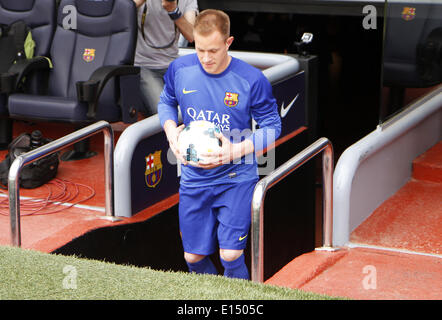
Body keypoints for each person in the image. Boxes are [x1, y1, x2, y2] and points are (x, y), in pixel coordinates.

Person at [158, 9, 281, 279]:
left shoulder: (251, 79)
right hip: (194, 176)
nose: (205, 58)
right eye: (200, 49)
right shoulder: (180, 69)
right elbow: (166, 101)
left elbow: (273, 127)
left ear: (228, 42)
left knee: (230, 254)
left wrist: (235, 150)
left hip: (236, 176)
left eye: (213, 50)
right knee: (193, 257)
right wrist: (170, 130)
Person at [133, 0, 198, 117]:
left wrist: (173, 10)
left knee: (194, 106)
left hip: (172, 66)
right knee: (164, 111)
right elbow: (121, 11)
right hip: (143, 65)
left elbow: (192, 35)